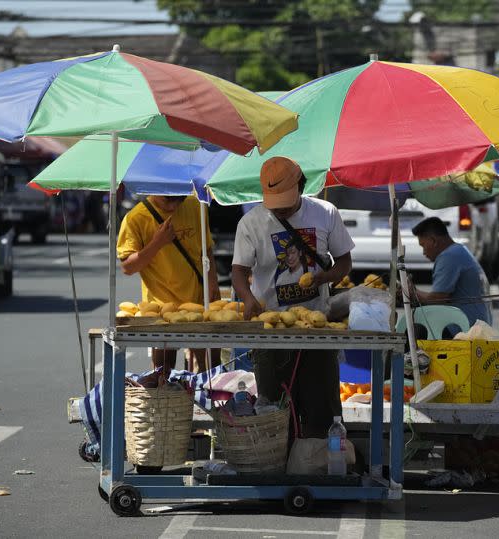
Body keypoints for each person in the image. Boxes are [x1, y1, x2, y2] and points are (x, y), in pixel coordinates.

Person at [231, 156, 354, 438]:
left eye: (286, 200)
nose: (282, 209)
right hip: (270, 331)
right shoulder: (251, 223)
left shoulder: (325, 213)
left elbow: (345, 262)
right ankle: (278, 470)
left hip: (317, 329)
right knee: (273, 414)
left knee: (322, 413)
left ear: (301, 185)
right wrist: (248, 298)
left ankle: (318, 466)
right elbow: (238, 270)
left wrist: (325, 277)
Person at [117, 194, 220, 373]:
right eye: (167, 201)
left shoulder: (196, 205)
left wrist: (213, 282)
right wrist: (157, 242)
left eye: (178, 200)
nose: (173, 207)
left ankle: (206, 398)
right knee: (163, 370)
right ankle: (166, 398)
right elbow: (128, 267)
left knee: (209, 368)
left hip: (198, 301)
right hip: (160, 307)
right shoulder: (136, 217)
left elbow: (207, 248)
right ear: (155, 191)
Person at [409, 216, 493, 329]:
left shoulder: (448, 257)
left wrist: (411, 291)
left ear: (433, 241)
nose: (424, 252)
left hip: (467, 327)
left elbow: (437, 300)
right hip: (480, 322)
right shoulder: (459, 250)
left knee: (414, 330)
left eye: (423, 245)